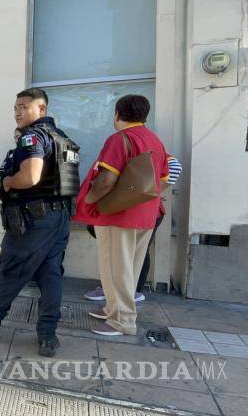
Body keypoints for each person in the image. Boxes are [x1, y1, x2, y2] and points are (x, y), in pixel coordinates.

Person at [0, 88, 79, 358]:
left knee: (10, 271)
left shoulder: (33, 135)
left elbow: (30, 177)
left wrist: (8, 182)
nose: (17, 111)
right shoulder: (63, 139)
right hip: (59, 218)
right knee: (50, 275)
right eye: (15, 107)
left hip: (34, 220)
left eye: (24, 106)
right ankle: (47, 336)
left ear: (41, 109)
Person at [74, 95, 169, 337]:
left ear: (117, 114)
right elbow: (164, 180)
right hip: (146, 213)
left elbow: (106, 181)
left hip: (119, 215)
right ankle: (113, 309)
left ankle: (122, 321)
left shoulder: (119, 139)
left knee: (116, 268)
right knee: (130, 268)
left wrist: (88, 199)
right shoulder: (155, 140)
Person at [83, 156, 182, 302]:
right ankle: (121, 291)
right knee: (126, 251)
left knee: (131, 252)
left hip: (141, 212)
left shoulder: (137, 148)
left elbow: (175, 166)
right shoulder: (124, 150)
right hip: (125, 211)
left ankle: (130, 292)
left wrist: (152, 191)